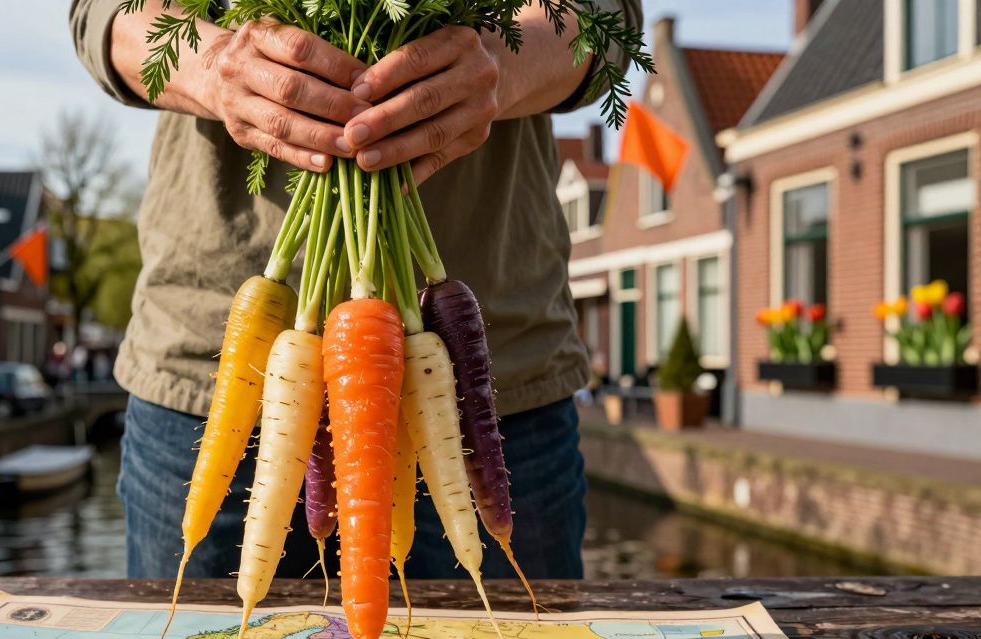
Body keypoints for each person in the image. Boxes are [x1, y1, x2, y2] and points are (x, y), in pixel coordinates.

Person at [69, 0, 642, 581]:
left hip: (493, 385)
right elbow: (103, 14)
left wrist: (500, 61)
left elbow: (605, 17)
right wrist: (214, 66)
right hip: (211, 375)